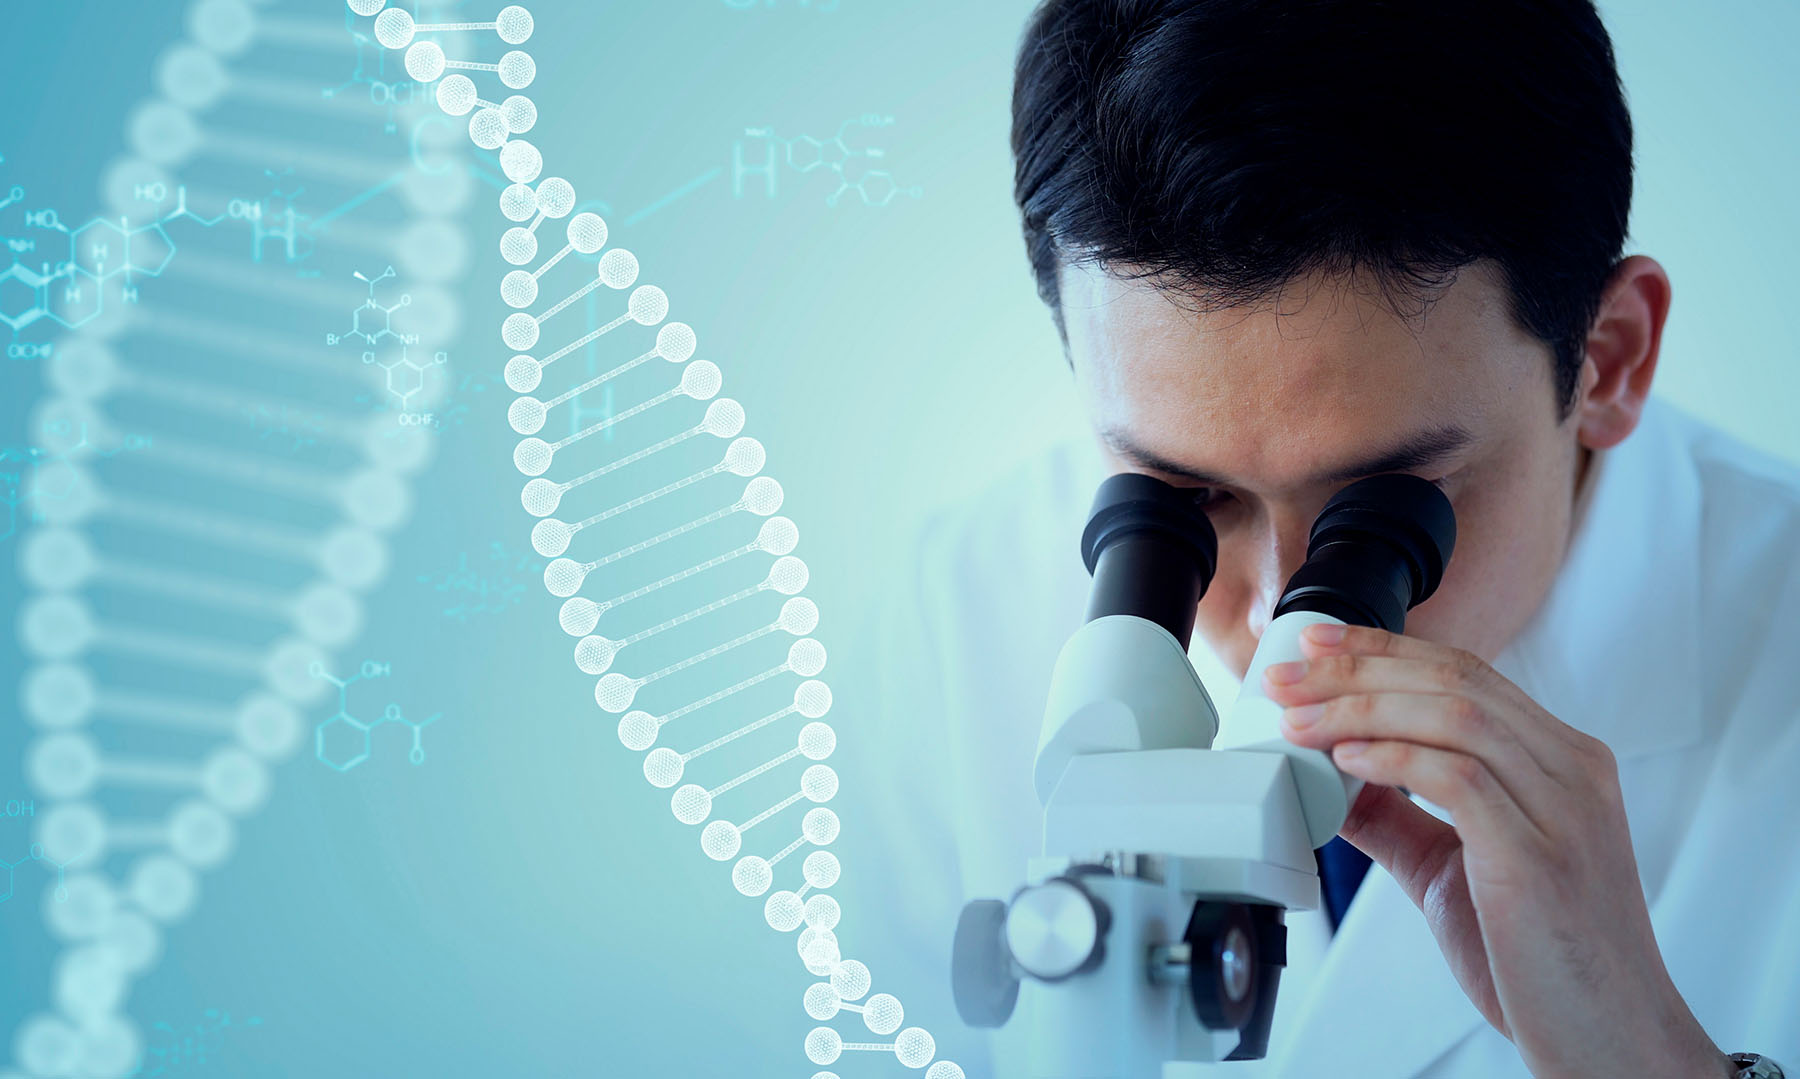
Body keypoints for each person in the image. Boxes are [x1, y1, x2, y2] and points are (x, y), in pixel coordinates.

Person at [838, 1, 1800, 1076]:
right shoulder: (953, 616)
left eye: (1388, 510)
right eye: (1189, 499)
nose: (1273, 613)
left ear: (1610, 356)